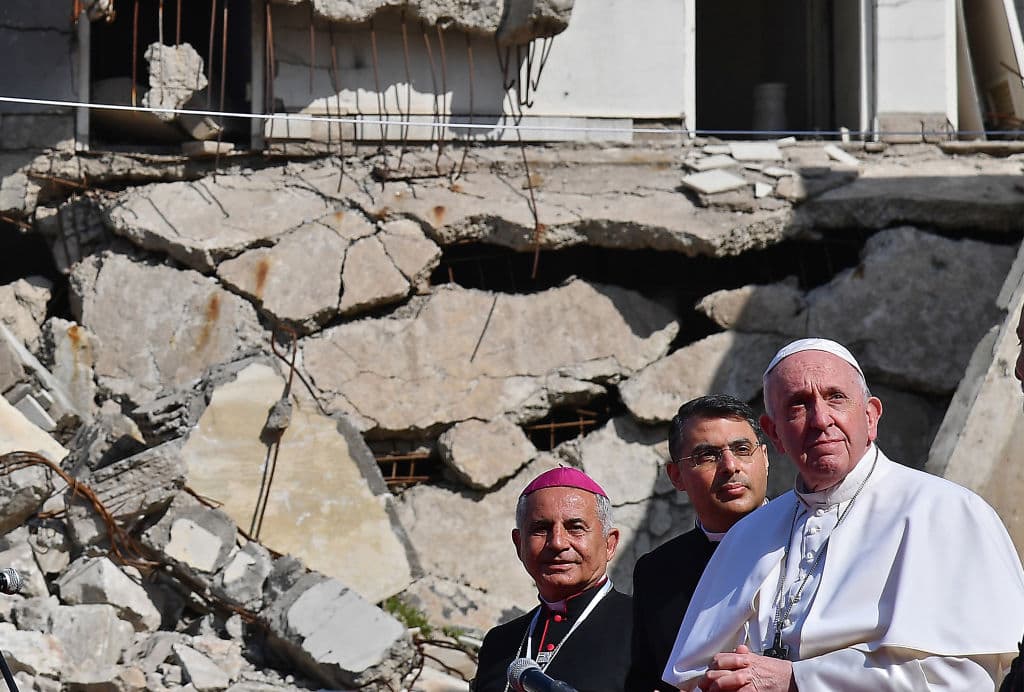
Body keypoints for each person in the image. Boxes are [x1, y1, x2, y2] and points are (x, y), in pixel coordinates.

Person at [663, 337, 1024, 691]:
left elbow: (968, 680)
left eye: (835, 397)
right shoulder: (747, 536)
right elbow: (690, 678)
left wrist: (796, 681)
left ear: (871, 417)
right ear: (774, 434)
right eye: (798, 405)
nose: (821, 419)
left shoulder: (947, 512)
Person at [627, 395, 770, 692]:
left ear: (765, 459)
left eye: (742, 449)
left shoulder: (810, 539)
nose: (730, 466)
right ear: (676, 476)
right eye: (707, 456)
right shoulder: (656, 573)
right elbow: (645, 678)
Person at [472, 467, 632, 692]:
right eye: (541, 529)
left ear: (609, 544)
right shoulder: (499, 643)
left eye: (575, 528)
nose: (557, 542)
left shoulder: (644, 627)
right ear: (519, 544)